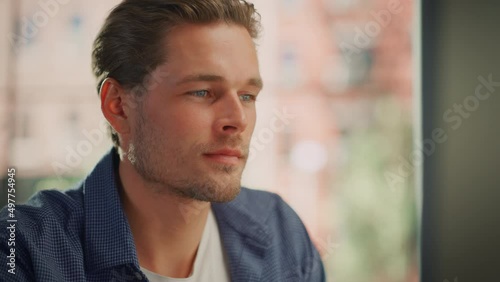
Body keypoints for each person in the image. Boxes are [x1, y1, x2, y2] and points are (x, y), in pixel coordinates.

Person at [0, 0, 325, 281]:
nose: (237, 119)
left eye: (247, 95)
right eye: (202, 92)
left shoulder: (281, 234)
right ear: (119, 106)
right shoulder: (23, 252)